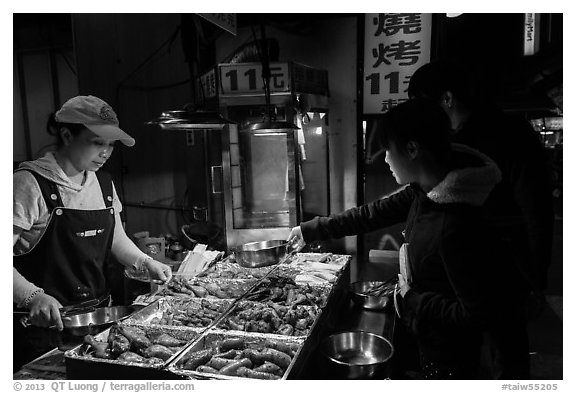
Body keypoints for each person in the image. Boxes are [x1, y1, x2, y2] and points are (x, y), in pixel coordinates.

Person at [288, 99, 516, 379]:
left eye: (387, 150)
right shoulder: (425, 189)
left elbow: (477, 314)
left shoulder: (456, 222)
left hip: (449, 358)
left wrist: (414, 298)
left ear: (412, 149)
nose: (384, 159)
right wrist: (312, 229)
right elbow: (371, 214)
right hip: (424, 335)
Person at [408, 59, 555, 378]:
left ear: (446, 99)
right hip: (463, 284)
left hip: (505, 275)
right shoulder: (448, 142)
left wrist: (536, 282)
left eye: (421, 105)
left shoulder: (507, 135)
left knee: (503, 360)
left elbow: (537, 211)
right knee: (478, 361)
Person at [13, 95, 172, 370]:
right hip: (41, 329)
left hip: (97, 319)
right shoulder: (28, 184)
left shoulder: (103, 183)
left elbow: (116, 238)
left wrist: (145, 262)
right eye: (97, 142)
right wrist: (32, 296)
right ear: (66, 135)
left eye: (110, 145)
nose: (106, 153)